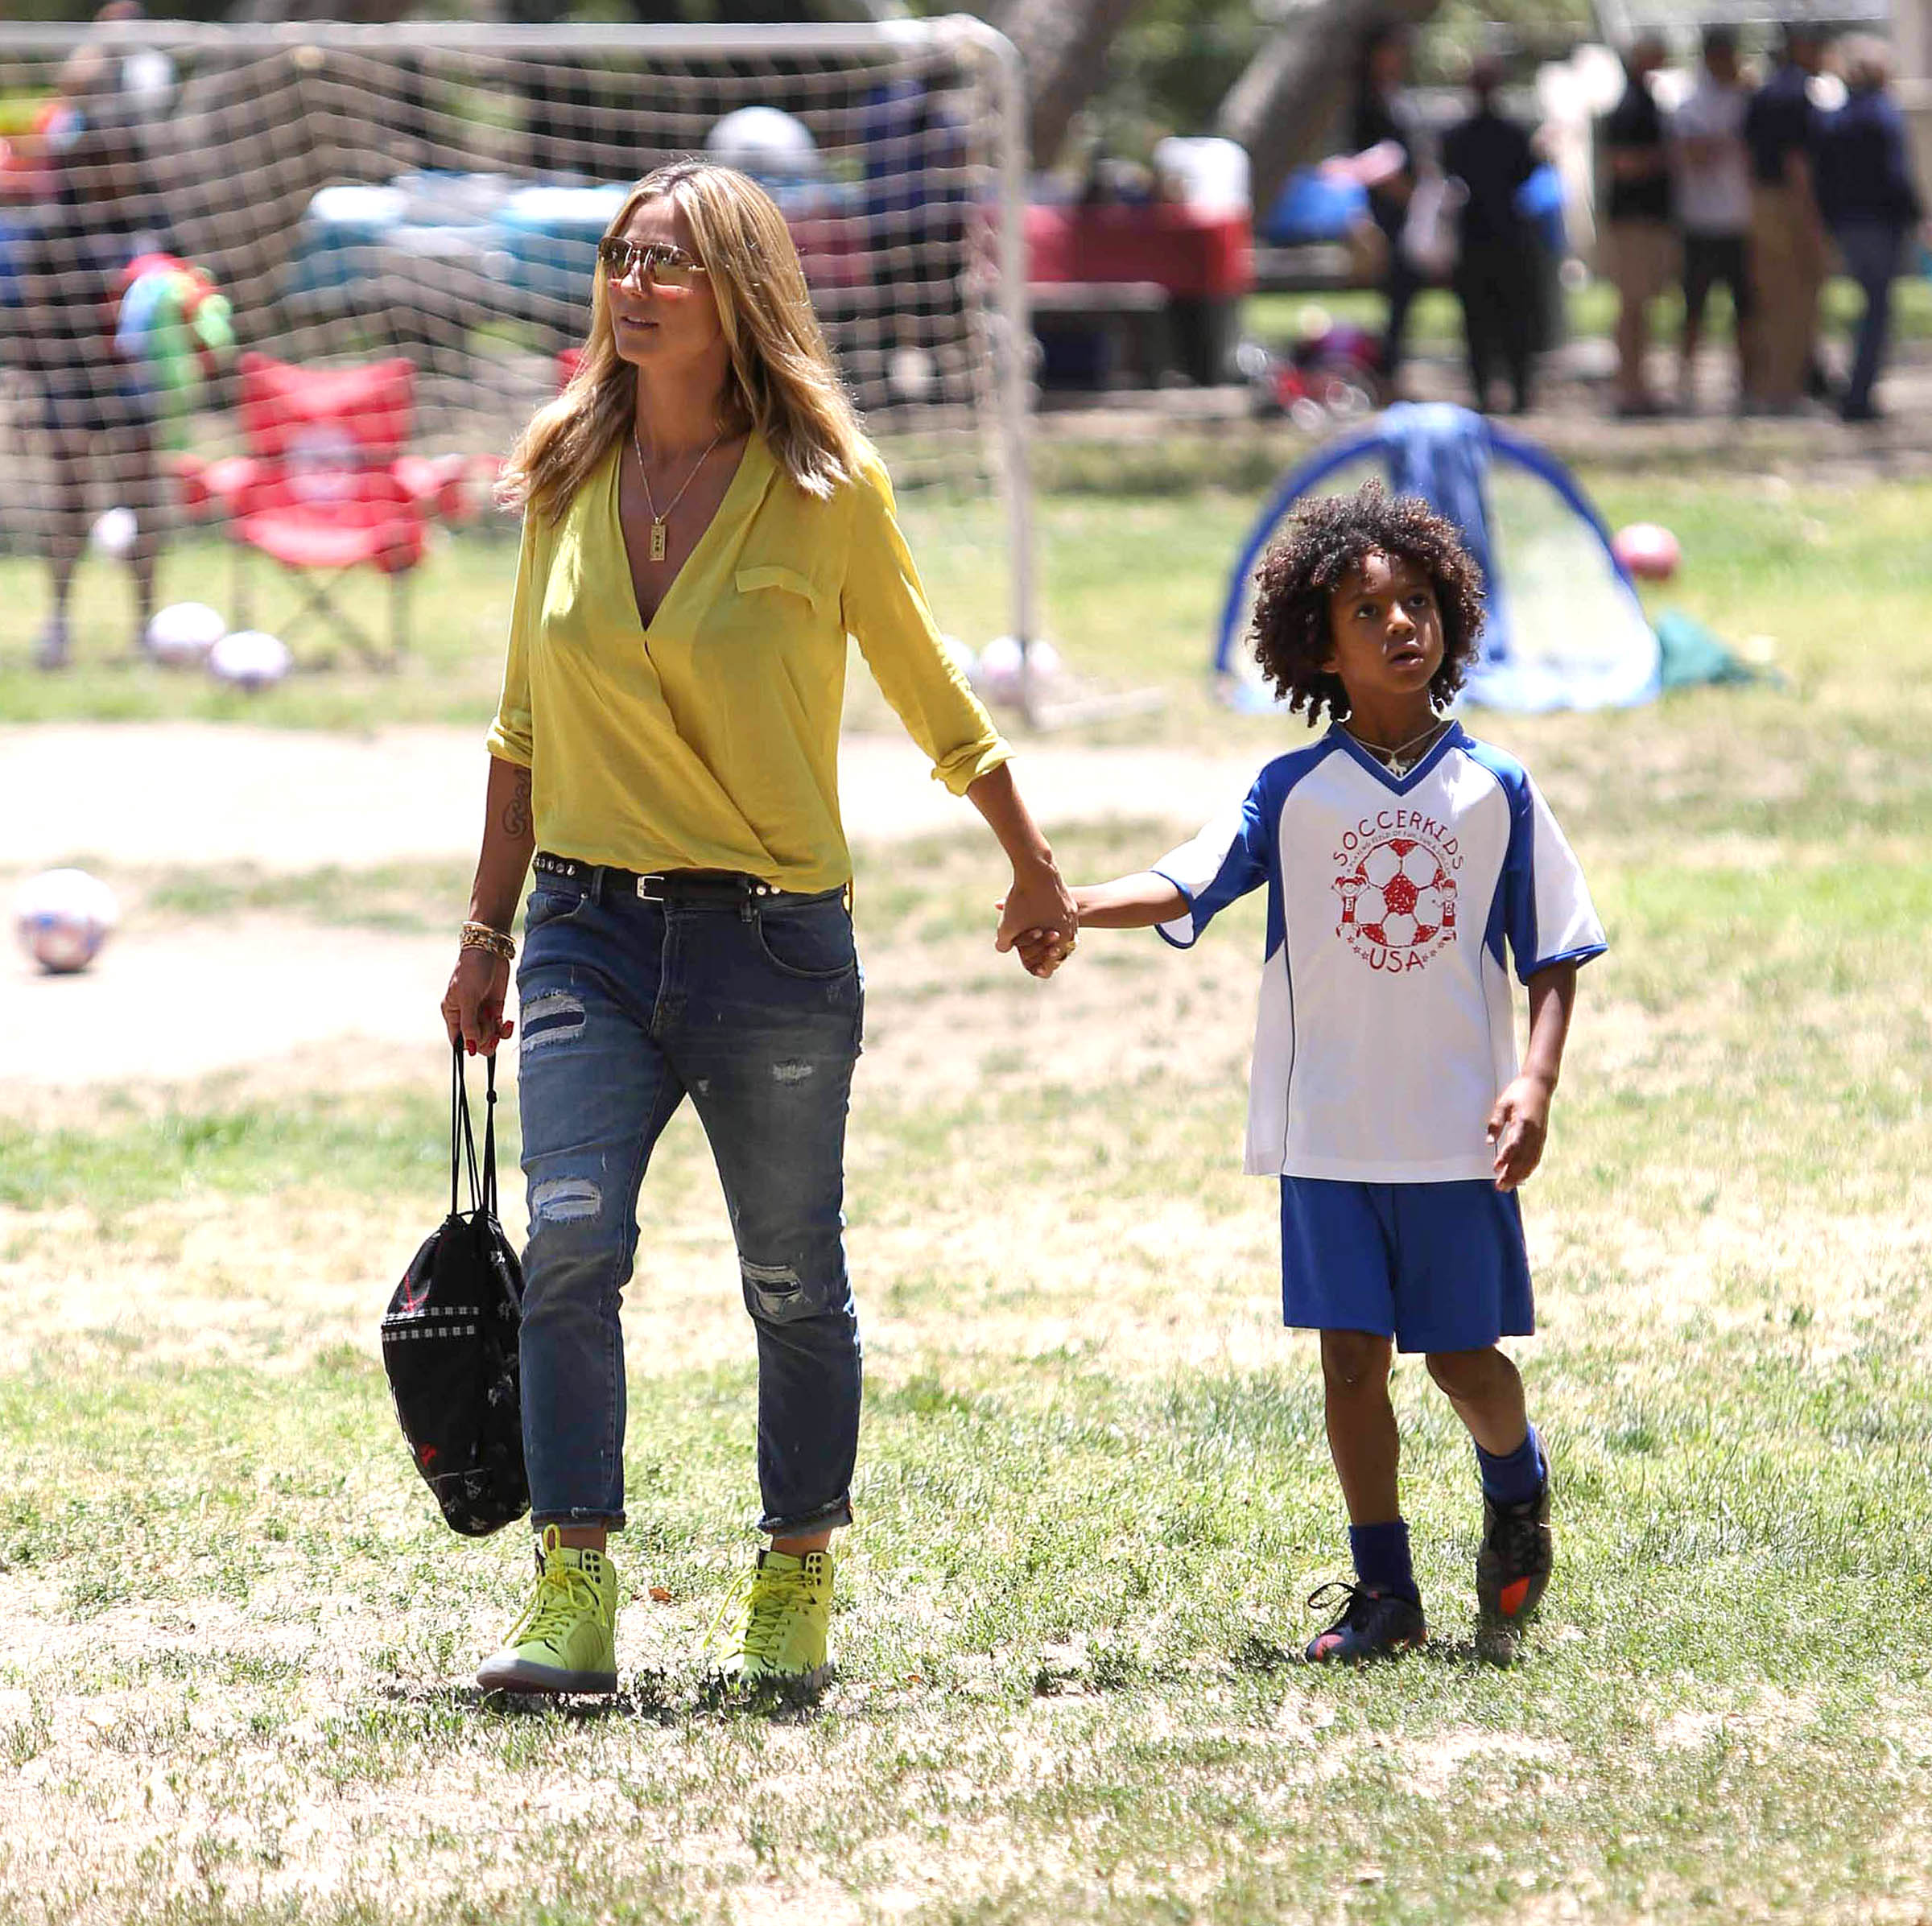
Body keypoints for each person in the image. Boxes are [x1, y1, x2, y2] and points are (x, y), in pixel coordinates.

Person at [443, 160, 1076, 1699]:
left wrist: (1032, 863)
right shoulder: (565, 474)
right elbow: (522, 725)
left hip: (776, 944)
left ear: (739, 295)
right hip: (589, 927)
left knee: (791, 1274)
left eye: (667, 264)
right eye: (619, 259)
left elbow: (936, 693)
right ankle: (573, 1588)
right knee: (575, 1245)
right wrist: (487, 931)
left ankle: (795, 1573)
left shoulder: (826, 490)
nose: (632, 286)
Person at [1031, 483, 1605, 1661]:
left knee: (1462, 1361)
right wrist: (1080, 903)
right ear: (1321, 649)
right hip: (1329, 1133)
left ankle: (1517, 1489)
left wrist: (1535, 1084)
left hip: (1453, 1133)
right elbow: (1189, 880)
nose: (1400, 624)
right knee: (1350, 1361)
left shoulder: (1496, 788)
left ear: (1449, 615)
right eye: (1366, 609)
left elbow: (1554, 951)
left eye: (1416, 602)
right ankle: (1384, 1591)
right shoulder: (1291, 793)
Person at [3, 110, 171, 670]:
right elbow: (29, 320)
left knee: (143, 505)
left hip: (131, 386)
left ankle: (146, 626)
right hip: (72, 386)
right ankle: (58, 624)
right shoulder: (54, 230)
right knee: (70, 508)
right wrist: (31, 395)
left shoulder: (148, 225)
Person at [1814, 37, 1925, 423]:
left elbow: (1823, 179)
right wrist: (1915, 216)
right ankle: (1859, 393)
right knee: (1877, 308)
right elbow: (1896, 175)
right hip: (1879, 223)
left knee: (1867, 306)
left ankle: (1854, 386)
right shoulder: (1882, 114)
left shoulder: (1835, 118)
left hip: (1848, 224)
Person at [1441, 56, 1542, 415]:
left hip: (1476, 237)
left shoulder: (1455, 137)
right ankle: (1518, 390)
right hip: (1507, 235)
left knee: (1480, 321)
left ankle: (1486, 390)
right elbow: (1528, 173)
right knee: (1513, 318)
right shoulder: (1514, 134)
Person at [1744, 26, 1829, 411]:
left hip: (1760, 202)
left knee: (1769, 298)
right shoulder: (1799, 94)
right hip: (1791, 203)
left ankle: (1766, 385)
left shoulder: (1761, 93)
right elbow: (1799, 163)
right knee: (1797, 299)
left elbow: (1745, 153)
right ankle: (1787, 390)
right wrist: (1811, 218)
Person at [1670, 26, 1755, 412]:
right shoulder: (1691, 104)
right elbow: (1692, 156)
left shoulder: (1747, 101)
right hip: (1701, 222)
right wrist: (1726, 142)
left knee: (1746, 310)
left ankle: (1747, 382)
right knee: (1694, 310)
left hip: (1741, 222)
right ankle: (1686, 384)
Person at [1344, 25, 1423, 393]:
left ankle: (1390, 368)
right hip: (1383, 212)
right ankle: (1385, 373)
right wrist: (1407, 195)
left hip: (1408, 211)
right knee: (1396, 289)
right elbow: (1368, 162)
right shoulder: (1366, 103)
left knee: (1405, 294)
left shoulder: (1396, 97)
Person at [1600, 35, 1676, 416]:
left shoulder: (1646, 101)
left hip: (1648, 220)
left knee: (1641, 307)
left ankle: (1638, 385)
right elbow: (1622, 163)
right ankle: (1628, 390)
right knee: (1632, 307)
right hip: (1633, 222)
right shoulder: (1629, 107)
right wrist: (1667, 159)